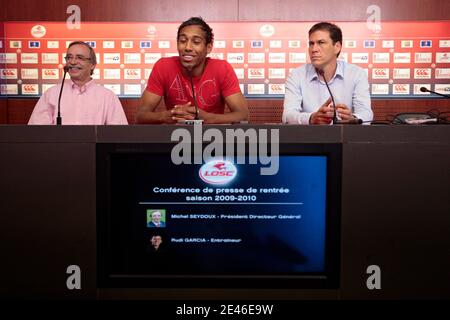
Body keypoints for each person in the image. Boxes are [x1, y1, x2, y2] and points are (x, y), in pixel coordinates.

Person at [135, 17, 248, 124]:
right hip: (174, 138)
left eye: (196, 42)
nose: (187, 47)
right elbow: (140, 116)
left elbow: (243, 115)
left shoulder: (222, 69)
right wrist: (166, 116)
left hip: (212, 138)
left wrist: (207, 118)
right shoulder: (163, 66)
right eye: (183, 40)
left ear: (208, 47)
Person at [282, 22, 373, 125]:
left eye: (321, 42)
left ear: (337, 47)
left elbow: (366, 113)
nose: (314, 49)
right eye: (311, 44)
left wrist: (353, 119)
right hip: (309, 139)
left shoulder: (356, 74)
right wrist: (311, 118)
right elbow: (287, 116)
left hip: (344, 138)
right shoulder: (297, 75)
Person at [28, 41, 128, 125]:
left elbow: (118, 134)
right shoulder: (52, 93)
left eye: (79, 57)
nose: (73, 62)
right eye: (69, 57)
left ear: (92, 64)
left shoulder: (107, 96)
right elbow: (36, 132)